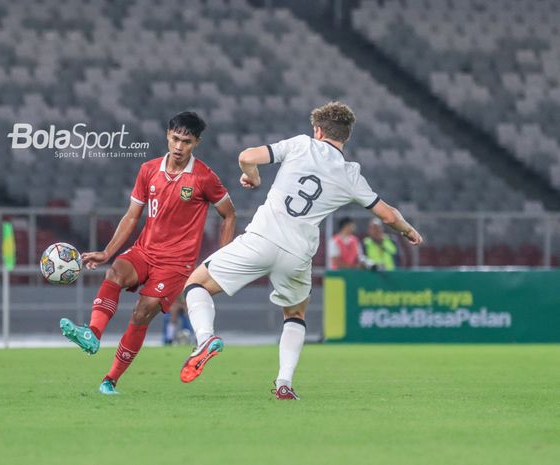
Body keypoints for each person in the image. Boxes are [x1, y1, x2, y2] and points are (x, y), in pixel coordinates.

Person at [179, 101, 423, 400]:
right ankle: (284, 382)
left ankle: (205, 338)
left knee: (196, 284)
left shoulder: (300, 145)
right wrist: (408, 230)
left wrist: (253, 177)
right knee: (294, 314)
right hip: (297, 253)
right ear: (345, 137)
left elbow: (246, 157)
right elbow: (387, 215)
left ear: (318, 130)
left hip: (262, 238)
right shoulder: (350, 174)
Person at [59, 111, 236, 395]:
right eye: (175, 139)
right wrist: (106, 252)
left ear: (196, 143)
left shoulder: (204, 177)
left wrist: (222, 259)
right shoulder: (149, 170)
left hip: (176, 263)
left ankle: (111, 379)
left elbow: (229, 215)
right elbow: (132, 216)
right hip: (144, 250)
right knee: (115, 270)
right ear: (167, 135)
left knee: (142, 314)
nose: (179, 146)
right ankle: (92, 334)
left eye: (187, 142)